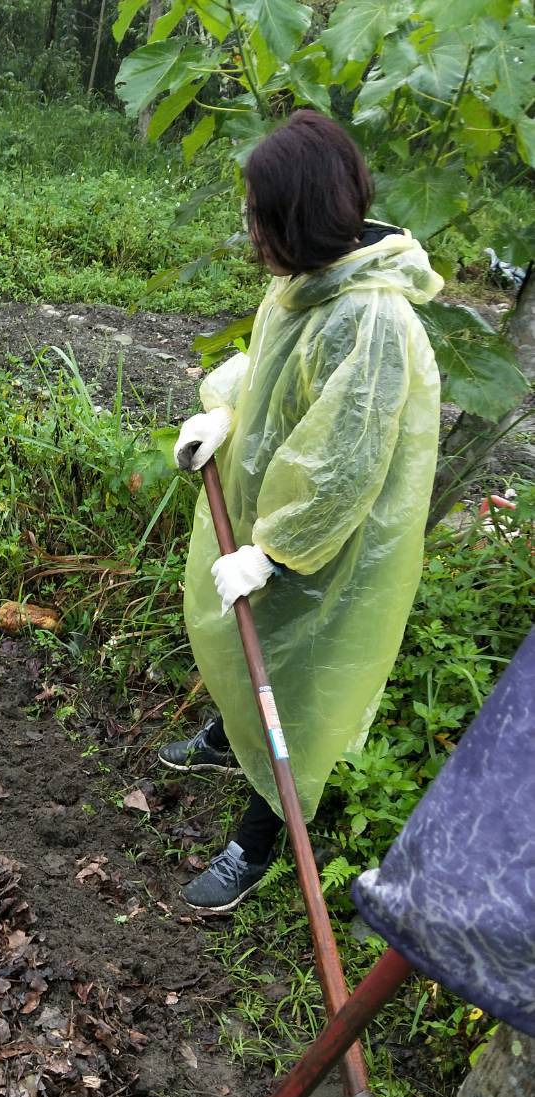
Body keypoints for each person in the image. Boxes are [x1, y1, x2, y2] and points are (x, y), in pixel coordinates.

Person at [161, 111, 442, 912]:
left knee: (299, 677)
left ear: (300, 217)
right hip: (270, 517)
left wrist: (274, 551)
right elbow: (273, 369)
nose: (250, 232)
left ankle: (259, 836)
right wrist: (222, 411)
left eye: (259, 215)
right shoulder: (306, 277)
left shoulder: (374, 319)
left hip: (326, 546)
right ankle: (229, 738)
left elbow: (345, 468)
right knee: (249, 647)